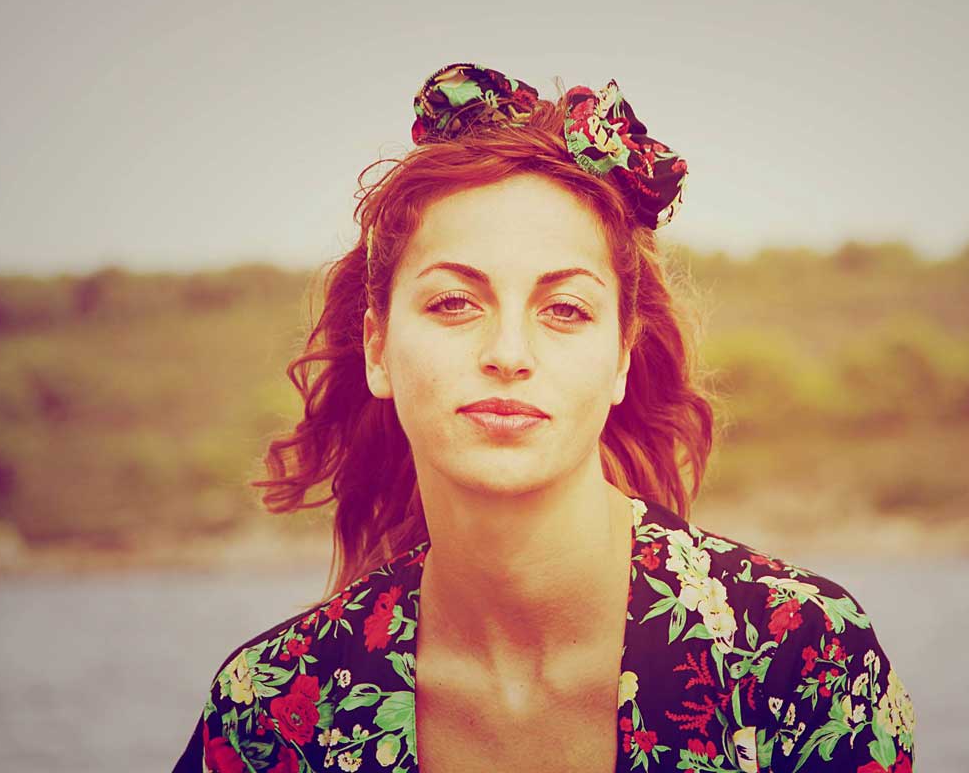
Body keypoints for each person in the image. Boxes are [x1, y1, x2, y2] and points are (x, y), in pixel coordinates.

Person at [172, 62, 916, 773]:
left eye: (564, 309)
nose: (508, 353)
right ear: (377, 348)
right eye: (454, 303)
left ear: (621, 358)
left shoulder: (799, 657)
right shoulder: (271, 709)